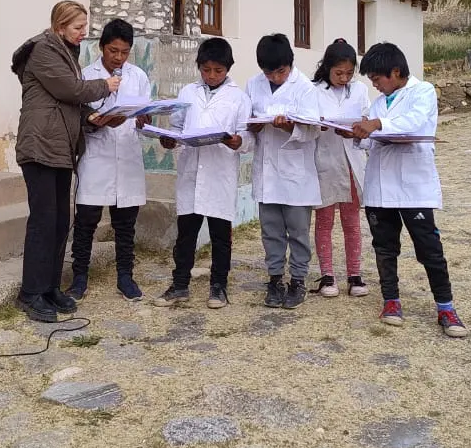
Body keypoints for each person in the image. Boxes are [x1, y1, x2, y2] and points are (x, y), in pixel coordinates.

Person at [10, 1, 120, 323]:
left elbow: (65, 103)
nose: (83, 34)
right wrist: (106, 85)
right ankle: (30, 293)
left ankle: (49, 288)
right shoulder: (43, 50)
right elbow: (70, 89)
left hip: (58, 149)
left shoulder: (65, 52)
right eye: (77, 28)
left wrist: (93, 118)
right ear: (60, 26)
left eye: (85, 27)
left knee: (60, 221)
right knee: (44, 221)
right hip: (39, 146)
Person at [351, 42, 468, 338]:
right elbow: (370, 138)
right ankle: (391, 300)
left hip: (413, 187)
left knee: (429, 249)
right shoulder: (379, 104)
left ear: (395, 71)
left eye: (378, 79)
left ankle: (445, 306)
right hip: (380, 188)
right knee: (385, 247)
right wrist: (358, 133)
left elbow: (414, 124)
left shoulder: (423, 92)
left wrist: (377, 124)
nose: (376, 86)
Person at [152, 37, 251, 310]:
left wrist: (236, 141)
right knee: (186, 234)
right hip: (191, 170)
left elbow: (246, 137)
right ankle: (180, 284)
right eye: (206, 70)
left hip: (220, 172)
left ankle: (218, 286)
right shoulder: (187, 93)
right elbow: (177, 126)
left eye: (218, 71)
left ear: (228, 69)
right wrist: (168, 139)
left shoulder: (239, 98)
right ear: (199, 67)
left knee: (221, 236)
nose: (211, 76)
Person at [68, 19, 150, 301]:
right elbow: (78, 117)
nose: (118, 57)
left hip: (126, 155)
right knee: (86, 221)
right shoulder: (85, 75)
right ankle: (79, 278)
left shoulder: (138, 76)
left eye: (124, 52)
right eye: (113, 50)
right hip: (96, 155)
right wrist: (99, 122)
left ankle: (125, 277)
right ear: (101, 47)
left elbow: (142, 117)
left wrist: (143, 118)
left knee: (125, 224)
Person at [247, 33, 322, 310]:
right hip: (267, 172)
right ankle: (275, 278)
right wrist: (252, 126)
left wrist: (289, 126)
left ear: (290, 64)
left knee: (298, 231)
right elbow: (247, 123)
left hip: (296, 175)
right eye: (270, 73)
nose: (276, 78)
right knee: (271, 231)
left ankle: (298, 280)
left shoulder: (305, 88)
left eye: (281, 71)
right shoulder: (253, 85)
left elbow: (313, 129)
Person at [311, 38, 369, 299]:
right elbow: (305, 124)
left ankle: (355, 275)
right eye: (338, 73)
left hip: (351, 161)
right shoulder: (313, 90)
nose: (344, 78)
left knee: (352, 222)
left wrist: (360, 129)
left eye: (348, 73)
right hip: (325, 160)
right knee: (324, 222)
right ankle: (327, 275)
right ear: (327, 68)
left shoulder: (360, 90)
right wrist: (318, 126)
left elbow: (367, 121)